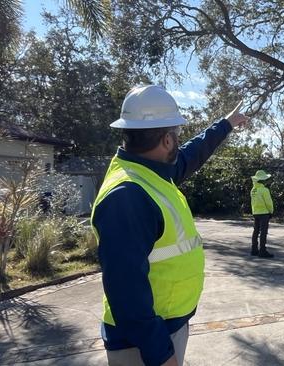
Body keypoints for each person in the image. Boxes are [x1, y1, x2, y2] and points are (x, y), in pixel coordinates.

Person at [91, 85, 248, 366]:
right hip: (141, 342)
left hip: (166, 325)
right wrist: (161, 354)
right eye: (177, 135)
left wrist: (226, 124)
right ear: (166, 140)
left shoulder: (149, 172)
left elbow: (191, 154)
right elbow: (126, 292)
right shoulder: (127, 195)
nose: (179, 142)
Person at [250, 170, 274, 258]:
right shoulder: (264, 190)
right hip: (264, 213)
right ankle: (262, 251)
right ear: (263, 180)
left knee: (255, 231)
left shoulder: (253, 190)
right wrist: (271, 211)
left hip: (255, 212)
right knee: (263, 232)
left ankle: (254, 249)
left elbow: (252, 202)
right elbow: (268, 202)